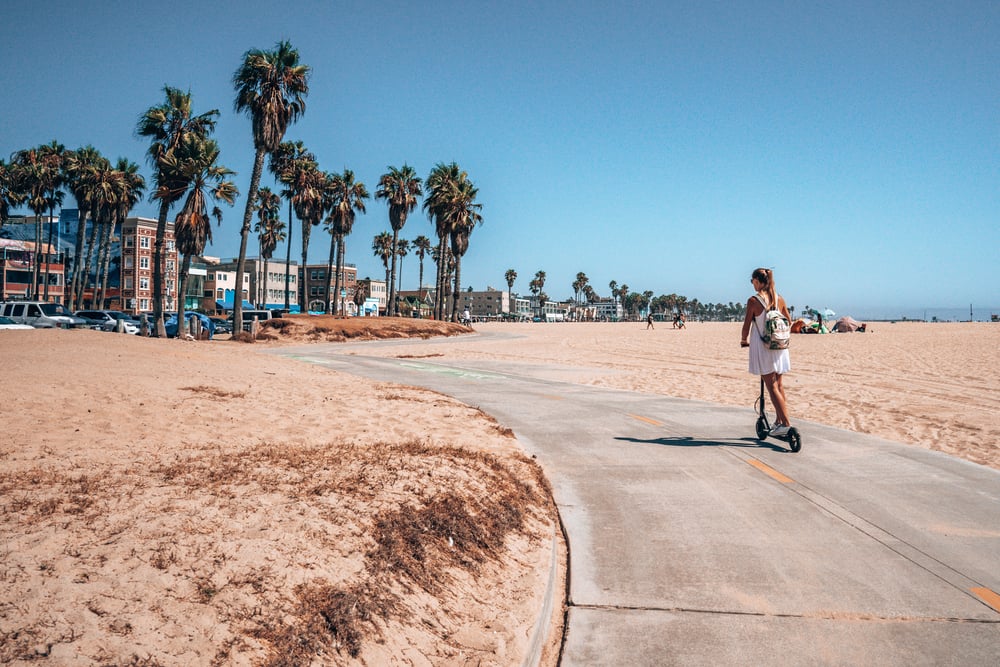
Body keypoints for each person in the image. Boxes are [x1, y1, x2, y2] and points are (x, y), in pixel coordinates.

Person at [740, 268, 792, 435]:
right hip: (780, 347)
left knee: (771, 386)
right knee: (779, 384)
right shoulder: (779, 299)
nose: (752, 285)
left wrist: (743, 340)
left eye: (753, 281)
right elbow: (788, 321)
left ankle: (785, 423)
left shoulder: (753, 301)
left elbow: (747, 325)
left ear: (758, 281)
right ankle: (779, 420)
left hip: (764, 348)